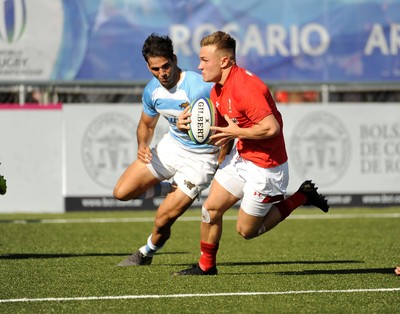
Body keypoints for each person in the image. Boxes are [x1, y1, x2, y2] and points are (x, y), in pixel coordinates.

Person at [173, 31, 329, 276]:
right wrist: (185, 121)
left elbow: (271, 128)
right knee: (210, 209)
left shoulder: (246, 88)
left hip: (267, 168)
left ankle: (301, 197)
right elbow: (222, 125)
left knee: (247, 232)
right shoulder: (217, 89)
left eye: (204, 60)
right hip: (241, 158)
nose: (199, 66)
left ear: (224, 61)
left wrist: (236, 133)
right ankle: (206, 266)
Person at [114, 33, 229, 266]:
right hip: (171, 148)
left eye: (166, 66)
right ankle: (168, 188)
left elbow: (227, 122)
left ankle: (146, 252)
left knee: (162, 220)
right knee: (122, 192)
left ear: (174, 59)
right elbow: (146, 124)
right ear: (148, 66)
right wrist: (142, 145)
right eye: (155, 69)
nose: (162, 73)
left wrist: (220, 157)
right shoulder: (152, 91)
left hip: (200, 160)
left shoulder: (199, 86)